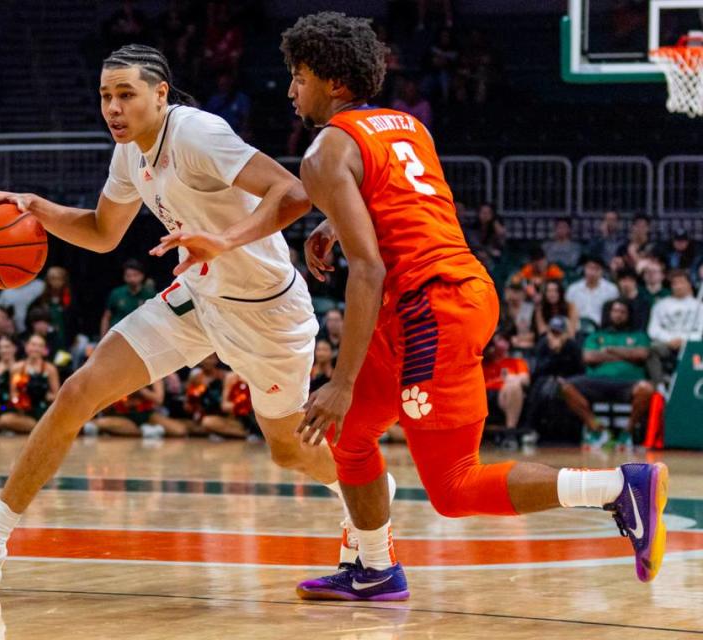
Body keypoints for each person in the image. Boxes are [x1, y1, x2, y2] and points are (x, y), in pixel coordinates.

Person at [225, 11, 665, 600]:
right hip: (440, 295)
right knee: (350, 438)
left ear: (332, 80)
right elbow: (403, 204)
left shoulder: (324, 152)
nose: (290, 89)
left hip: (431, 309)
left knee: (453, 487)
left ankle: (617, 486)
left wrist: (342, 378)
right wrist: (335, 220)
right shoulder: (406, 125)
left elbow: (371, 269)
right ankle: (375, 569)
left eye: (299, 76)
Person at [0, 43, 368, 588]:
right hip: (197, 296)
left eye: (125, 94)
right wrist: (36, 207)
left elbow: (293, 193)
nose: (113, 108)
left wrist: (221, 241)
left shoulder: (197, 133)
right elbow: (104, 233)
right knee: (78, 391)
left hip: (265, 311)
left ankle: (361, 492)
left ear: (159, 94)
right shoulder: (129, 153)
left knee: (289, 450)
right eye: (105, 95)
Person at [559, 299, 654, 451]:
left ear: (629, 315)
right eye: (615, 311)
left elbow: (641, 354)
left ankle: (627, 433)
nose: (618, 315)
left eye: (622, 312)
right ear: (609, 314)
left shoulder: (639, 336)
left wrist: (609, 350)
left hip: (628, 382)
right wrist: (626, 354)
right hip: (596, 381)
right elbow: (589, 357)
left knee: (647, 389)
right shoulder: (596, 336)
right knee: (565, 387)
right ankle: (597, 430)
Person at [646, 269, 703, 386]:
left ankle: (694, 384)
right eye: (674, 283)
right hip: (667, 344)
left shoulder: (699, 306)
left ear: (689, 284)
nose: (678, 286)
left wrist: (685, 340)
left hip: (692, 344)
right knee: (652, 350)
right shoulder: (660, 305)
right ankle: (659, 386)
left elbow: (701, 329)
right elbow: (653, 329)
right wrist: (669, 340)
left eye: (681, 282)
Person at [0, 334, 60, 434]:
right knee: (4, 419)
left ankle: (39, 427)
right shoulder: (17, 368)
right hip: (24, 412)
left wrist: (45, 396)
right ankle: (39, 428)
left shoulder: (50, 369)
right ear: (26, 347)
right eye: (33, 345)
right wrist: (20, 401)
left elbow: (56, 396)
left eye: (39, 346)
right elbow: (13, 393)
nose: (35, 348)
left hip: (43, 410)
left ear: (44, 350)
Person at [95, 377, 190, 438]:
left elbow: (159, 399)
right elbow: (106, 403)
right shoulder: (119, 374)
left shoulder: (154, 375)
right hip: (123, 415)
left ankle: (146, 430)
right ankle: (145, 431)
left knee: (179, 430)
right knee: (101, 423)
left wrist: (140, 389)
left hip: (147, 414)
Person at [482, 331, 530, 431]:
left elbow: (525, 380)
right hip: (481, 394)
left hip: (503, 394)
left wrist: (511, 378)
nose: (501, 343)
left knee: (514, 386)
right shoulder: (481, 362)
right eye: (498, 339)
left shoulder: (516, 362)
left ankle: (510, 431)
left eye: (504, 339)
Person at [98, 259, 154, 337]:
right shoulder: (117, 293)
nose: (132, 279)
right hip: (117, 335)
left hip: (139, 336)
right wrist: (103, 337)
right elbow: (106, 317)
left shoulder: (149, 295)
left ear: (142, 275)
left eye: (135, 275)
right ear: (124, 276)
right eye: (128, 275)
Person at [566, 255, 619, 329]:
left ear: (602, 271)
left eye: (596, 269)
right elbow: (567, 313)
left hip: (601, 329)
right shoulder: (573, 289)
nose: (592, 272)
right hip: (577, 329)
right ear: (584, 269)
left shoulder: (611, 290)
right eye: (590, 268)